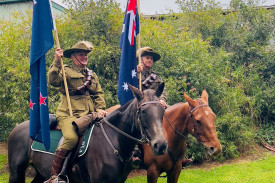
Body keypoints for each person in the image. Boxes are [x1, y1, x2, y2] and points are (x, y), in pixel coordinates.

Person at [45, 41, 108, 183]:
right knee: (71, 138)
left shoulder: (91, 74)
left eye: (86, 55)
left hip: (89, 113)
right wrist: (56, 61)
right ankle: (55, 175)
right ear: (73, 57)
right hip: (68, 113)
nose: (85, 57)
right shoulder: (65, 70)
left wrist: (100, 108)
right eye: (81, 54)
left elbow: (98, 94)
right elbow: (53, 80)